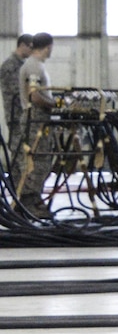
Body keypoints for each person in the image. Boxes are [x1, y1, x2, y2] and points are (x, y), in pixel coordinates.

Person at [14, 33, 57, 217]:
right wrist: (54, 105)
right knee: (36, 162)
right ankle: (28, 202)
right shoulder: (33, 66)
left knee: (43, 162)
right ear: (47, 46)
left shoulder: (37, 65)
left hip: (41, 120)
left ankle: (34, 200)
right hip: (35, 120)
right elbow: (34, 95)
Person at [0, 34, 30, 149]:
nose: (32, 51)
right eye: (30, 47)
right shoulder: (10, 65)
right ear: (22, 45)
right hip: (16, 115)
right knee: (19, 153)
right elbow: (17, 91)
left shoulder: (22, 65)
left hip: (22, 115)